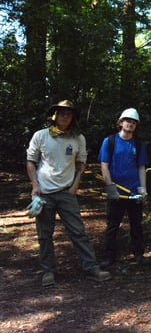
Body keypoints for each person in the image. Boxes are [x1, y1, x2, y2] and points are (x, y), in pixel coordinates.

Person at [26, 100, 111, 287]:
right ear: (54, 115)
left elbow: (81, 163)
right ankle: (48, 271)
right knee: (44, 234)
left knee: (78, 232)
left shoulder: (78, 138)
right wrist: (34, 186)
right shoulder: (40, 135)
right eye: (61, 112)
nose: (65, 116)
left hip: (67, 193)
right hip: (44, 193)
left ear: (73, 118)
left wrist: (75, 186)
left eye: (69, 113)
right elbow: (31, 161)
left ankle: (91, 268)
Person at [98, 108, 150, 268]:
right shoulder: (110, 141)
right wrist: (110, 186)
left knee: (137, 225)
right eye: (128, 121)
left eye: (134, 122)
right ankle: (109, 257)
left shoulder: (139, 145)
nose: (130, 124)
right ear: (121, 123)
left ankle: (139, 255)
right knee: (112, 226)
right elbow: (104, 165)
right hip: (116, 193)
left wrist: (143, 188)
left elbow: (141, 167)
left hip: (133, 192)